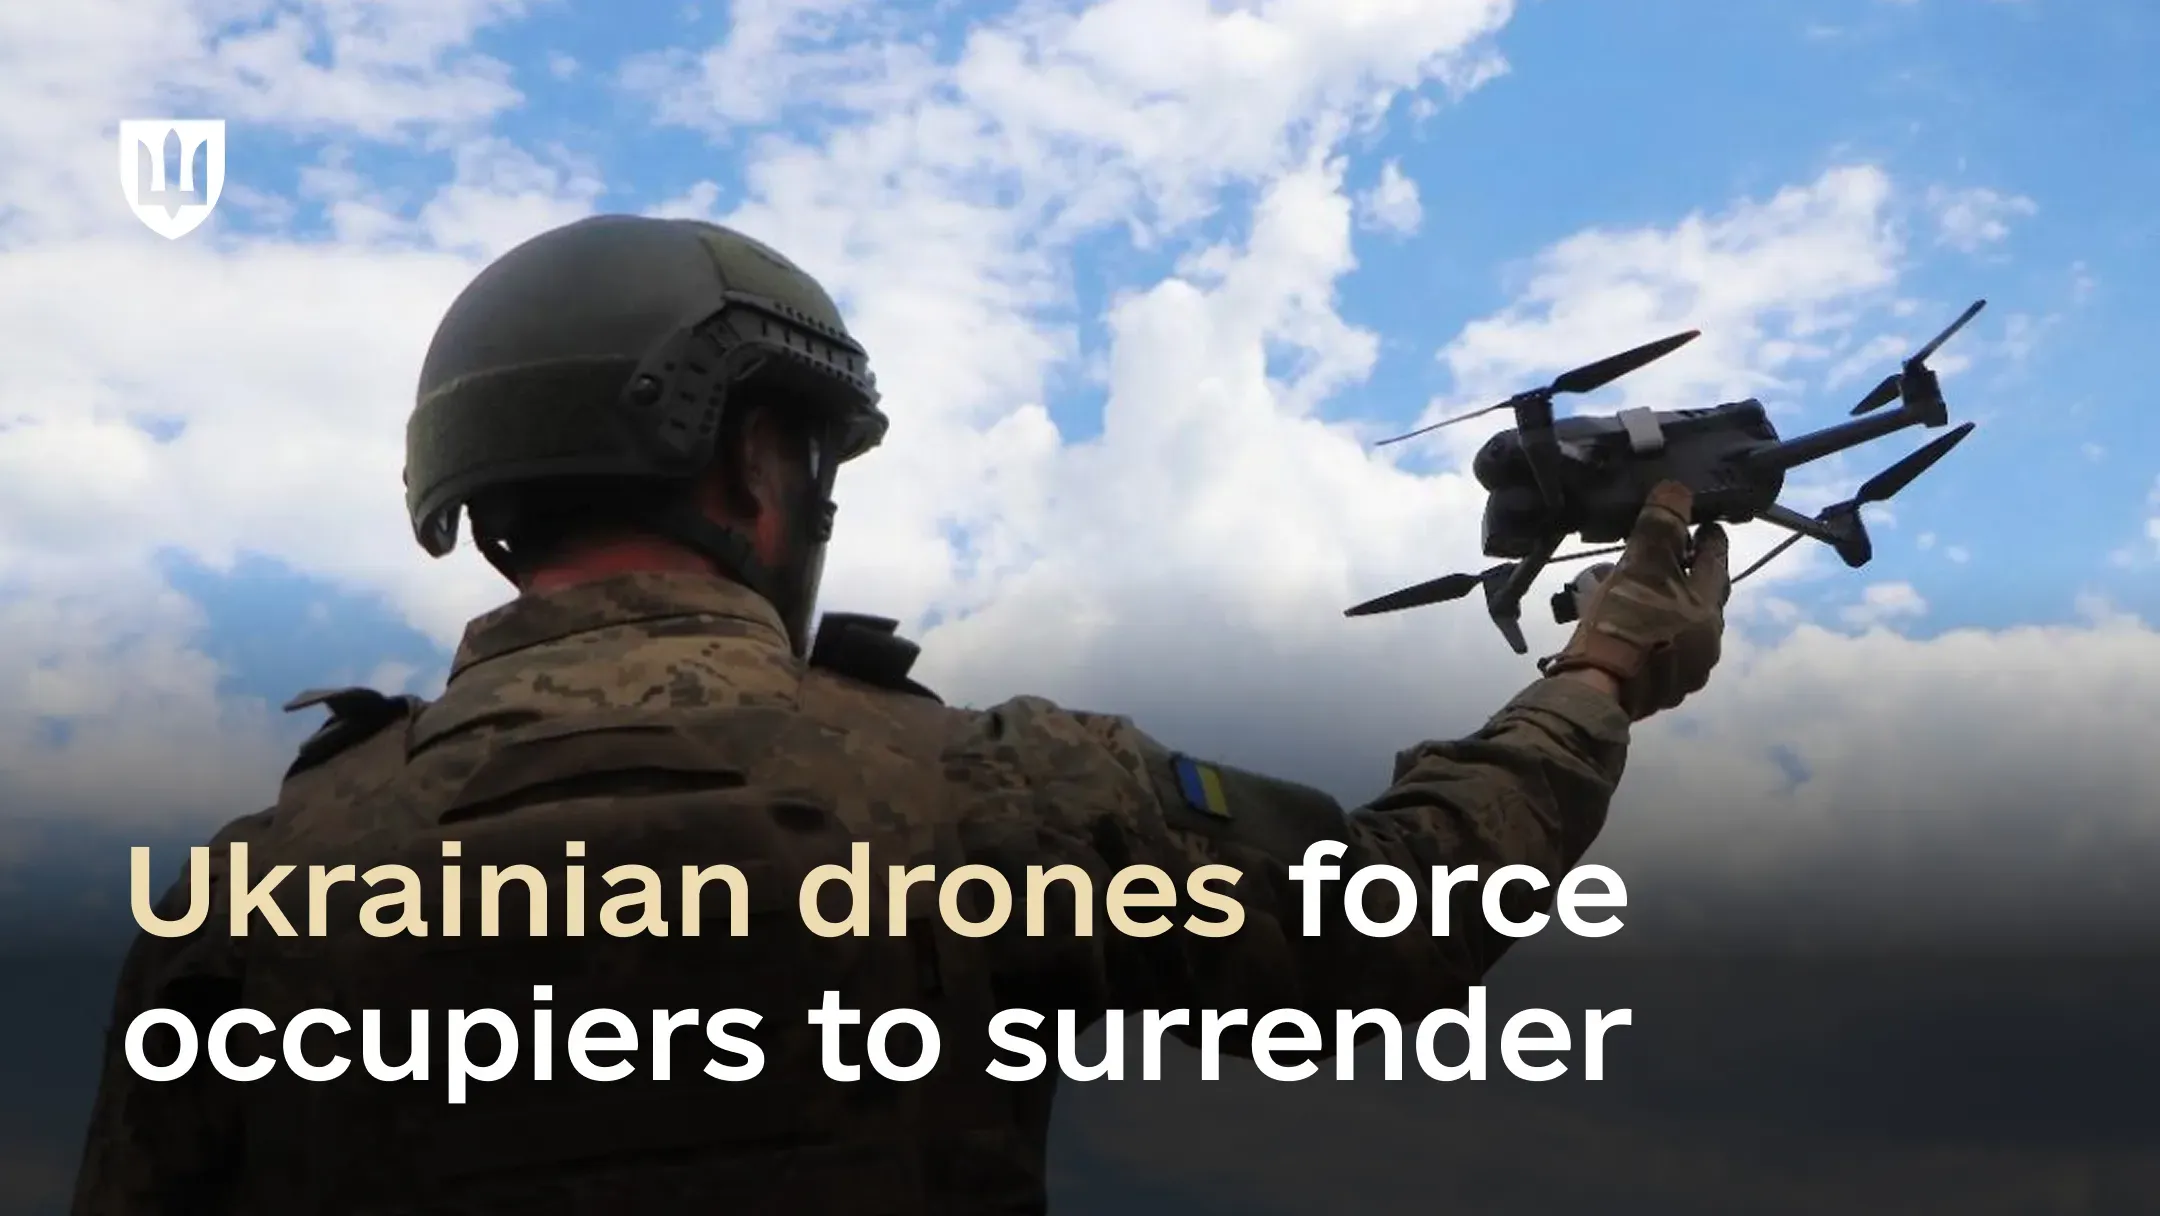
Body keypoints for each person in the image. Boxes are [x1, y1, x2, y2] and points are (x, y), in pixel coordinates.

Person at [71, 215, 1731, 1214]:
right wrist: (1600, 674)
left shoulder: (250, 897)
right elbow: (1400, 912)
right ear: (750, 459)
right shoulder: (982, 797)